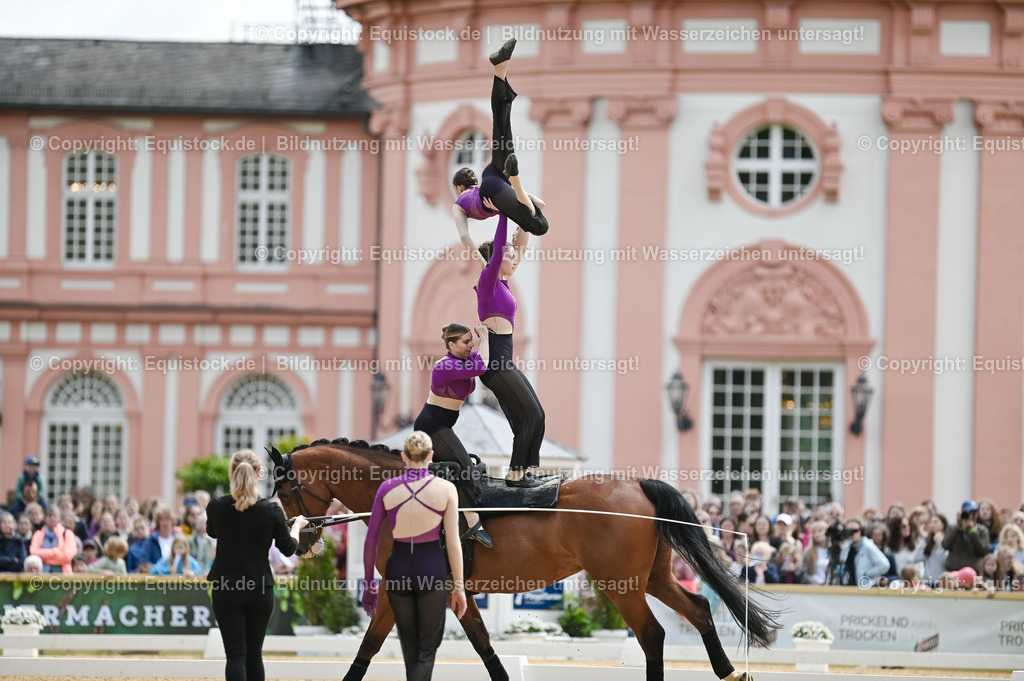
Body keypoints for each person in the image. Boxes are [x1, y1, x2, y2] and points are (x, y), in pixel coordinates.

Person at [362, 432, 468, 681]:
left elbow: (371, 540)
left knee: (410, 646)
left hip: (398, 568)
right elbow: (453, 543)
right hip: (431, 567)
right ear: (431, 456)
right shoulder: (447, 489)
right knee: (427, 646)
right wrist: (460, 587)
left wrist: (369, 584)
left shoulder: (387, 488)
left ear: (404, 457)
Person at [206, 449, 307, 681]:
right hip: (259, 588)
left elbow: (212, 532)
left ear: (232, 473)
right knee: (254, 657)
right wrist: (297, 526)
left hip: (226, 587)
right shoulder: (271, 510)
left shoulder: (217, 507)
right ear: (260, 473)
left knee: (235, 656)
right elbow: (290, 548)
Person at [470, 214, 545, 487]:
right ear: (496, 258)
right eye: (509, 256)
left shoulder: (503, 281)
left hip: (505, 363)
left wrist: (526, 216)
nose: (514, 259)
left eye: (513, 256)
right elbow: (503, 243)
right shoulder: (488, 281)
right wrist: (504, 213)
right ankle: (515, 475)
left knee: (530, 417)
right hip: (495, 366)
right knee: (532, 415)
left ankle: (523, 471)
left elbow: (520, 245)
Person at [451, 38, 549, 241]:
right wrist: (515, 202)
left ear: (458, 188)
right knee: (501, 125)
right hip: (495, 174)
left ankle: (516, 177)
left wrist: (514, 197)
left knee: (540, 226)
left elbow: (464, 236)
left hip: (498, 185)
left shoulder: (461, 203)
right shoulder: (479, 188)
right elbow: (539, 204)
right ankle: (500, 69)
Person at [413, 322, 493, 548]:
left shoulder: (463, 359)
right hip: (432, 426)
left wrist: (484, 342)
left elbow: (480, 360)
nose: (471, 345)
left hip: (442, 425)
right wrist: (485, 338)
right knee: (464, 466)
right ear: (451, 344)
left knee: (456, 471)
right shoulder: (444, 366)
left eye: (472, 340)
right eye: (466, 342)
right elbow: (482, 367)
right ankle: (473, 524)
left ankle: (443, 524)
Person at [838, 517, 890, 588]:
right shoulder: (846, 547)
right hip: (849, 587)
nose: (852, 534)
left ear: (861, 531)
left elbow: (885, 565)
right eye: (849, 531)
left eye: (855, 531)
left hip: (865, 587)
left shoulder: (868, 546)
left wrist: (867, 574)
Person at [943, 500, 990, 571]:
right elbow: (945, 545)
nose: (970, 516)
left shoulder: (982, 530)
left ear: (977, 514)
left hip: (973, 571)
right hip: (954, 570)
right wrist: (957, 527)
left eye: (973, 513)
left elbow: (983, 551)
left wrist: (972, 531)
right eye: (968, 513)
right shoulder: (952, 528)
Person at [29, 507, 76, 574]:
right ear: (45, 518)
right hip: (42, 576)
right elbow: (33, 552)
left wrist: (44, 558)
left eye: (55, 516)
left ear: (59, 518)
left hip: (63, 576)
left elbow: (67, 556)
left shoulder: (67, 534)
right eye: (50, 516)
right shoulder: (38, 534)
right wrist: (55, 552)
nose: (52, 518)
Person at [910, 514, 949, 583]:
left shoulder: (948, 541)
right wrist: (923, 539)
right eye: (931, 522)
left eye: (935, 522)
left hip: (942, 583)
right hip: (928, 582)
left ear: (943, 524)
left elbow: (946, 560)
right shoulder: (927, 542)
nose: (933, 525)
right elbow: (915, 558)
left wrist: (940, 544)